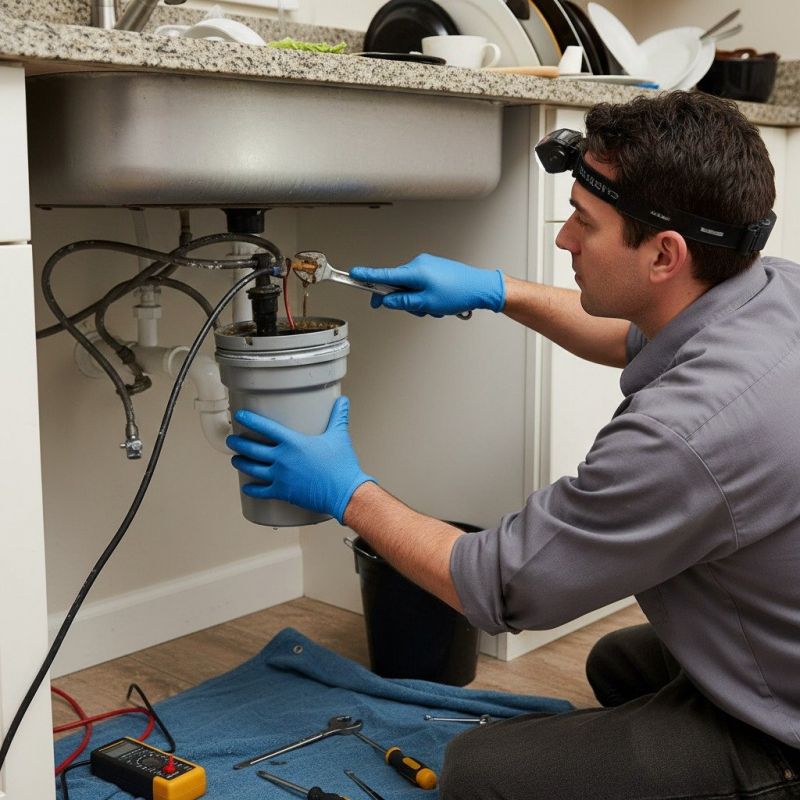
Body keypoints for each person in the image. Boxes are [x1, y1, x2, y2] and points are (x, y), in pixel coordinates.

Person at [226, 91, 800, 798]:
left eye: (584, 223)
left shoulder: (685, 433)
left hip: (789, 733)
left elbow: (501, 586)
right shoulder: (769, 290)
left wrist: (346, 490)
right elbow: (631, 334)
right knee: (620, 666)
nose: (565, 240)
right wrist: (498, 291)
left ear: (664, 253)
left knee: (478, 773)